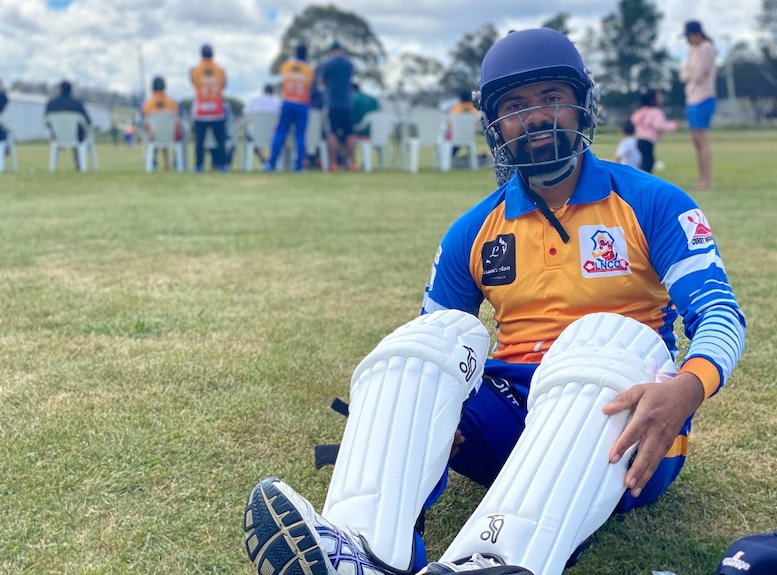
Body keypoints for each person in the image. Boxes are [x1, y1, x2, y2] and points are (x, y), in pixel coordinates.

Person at [242, 28, 746, 575]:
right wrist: (432, 412)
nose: (535, 118)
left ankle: (491, 563)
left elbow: (719, 314)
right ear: (495, 126)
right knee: (420, 347)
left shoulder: (651, 201)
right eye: (515, 106)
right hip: (511, 413)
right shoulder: (475, 228)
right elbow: (434, 348)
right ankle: (360, 550)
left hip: (629, 420)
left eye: (552, 98)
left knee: (602, 338)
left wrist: (684, 390)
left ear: (582, 105)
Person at [680, 20, 717, 190]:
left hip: (704, 97)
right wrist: (689, 75)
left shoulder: (706, 48)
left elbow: (699, 74)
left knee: (702, 139)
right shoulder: (692, 50)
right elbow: (684, 73)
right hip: (691, 98)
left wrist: (690, 75)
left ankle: (706, 180)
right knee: (695, 140)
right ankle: (701, 177)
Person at [266, 45, 315, 172]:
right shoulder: (309, 69)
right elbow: (310, 87)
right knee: (300, 136)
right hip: (302, 105)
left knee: (280, 133)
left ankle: (271, 164)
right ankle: (299, 166)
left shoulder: (286, 67)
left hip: (287, 103)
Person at [316, 41, 355, 171]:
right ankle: (351, 163)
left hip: (332, 104)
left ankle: (333, 163)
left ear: (332, 51)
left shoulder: (328, 64)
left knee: (332, 133)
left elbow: (321, 80)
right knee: (350, 134)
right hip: (347, 104)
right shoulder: (349, 64)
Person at [189, 43, 228, 172]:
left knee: (200, 142)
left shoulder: (195, 70)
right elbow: (223, 85)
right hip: (217, 110)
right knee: (220, 140)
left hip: (201, 111)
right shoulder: (220, 70)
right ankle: (222, 165)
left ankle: (199, 166)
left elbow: (194, 83)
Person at [44, 80, 92, 171]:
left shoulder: (51, 104)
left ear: (59, 89)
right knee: (80, 133)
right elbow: (88, 122)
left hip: (57, 136)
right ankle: (79, 164)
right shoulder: (77, 104)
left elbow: (47, 122)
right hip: (77, 136)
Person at [629, 88, 678, 173]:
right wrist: (672, 125)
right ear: (653, 99)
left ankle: (642, 176)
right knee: (649, 162)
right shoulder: (656, 112)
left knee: (645, 160)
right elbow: (659, 125)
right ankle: (644, 179)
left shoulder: (641, 111)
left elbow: (633, 120)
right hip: (648, 140)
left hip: (640, 139)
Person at [141, 76, 182, 171]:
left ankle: (153, 162)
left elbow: (144, 121)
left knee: (149, 135)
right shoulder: (173, 103)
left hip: (153, 136)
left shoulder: (147, 104)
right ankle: (177, 163)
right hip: (172, 136)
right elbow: (179, 119)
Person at [246, 84, 281, 166]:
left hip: (254, 134)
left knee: (247, 139)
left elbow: (247, 116)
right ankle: (270, 161)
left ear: (263, 91)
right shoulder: (277, 102)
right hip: (272, 134)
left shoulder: (253, 100)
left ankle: (263, 160)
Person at [447, 89, 480, 160]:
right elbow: (476, 124)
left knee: (455, 144)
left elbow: (449, 124)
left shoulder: (454, 110)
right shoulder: (474, 111)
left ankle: (450, 158)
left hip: (455, 136)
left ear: (460, 99)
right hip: (469, 136)